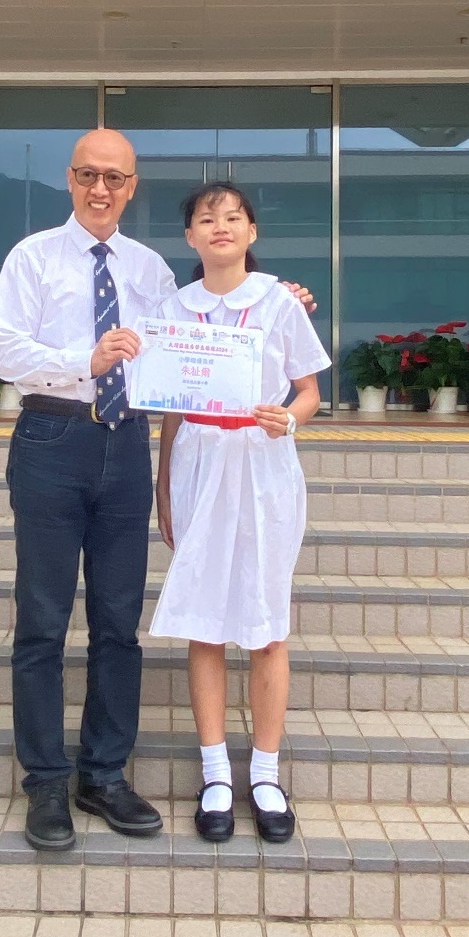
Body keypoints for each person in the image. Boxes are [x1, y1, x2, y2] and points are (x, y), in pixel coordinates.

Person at [0, 131, 314, 851]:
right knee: (42, 619)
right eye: (88, 175)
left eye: (114, 178)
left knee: (117, 621)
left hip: (125, 443)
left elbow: (202, 338)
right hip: (50, 437)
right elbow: (4, 353)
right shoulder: (32, 257)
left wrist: (278, 299)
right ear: (69, 180)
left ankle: (103, 774)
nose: (100, 189)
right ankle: (45, 781)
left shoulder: (150, 271)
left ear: (131, 187)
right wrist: (86, 357)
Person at [152, 181, 331, 844]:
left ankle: (264, 772)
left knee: (265, 626)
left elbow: (309, 390)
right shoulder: (174, 309)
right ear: (190, 237)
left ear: (251, 232)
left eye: (233, 217)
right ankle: (214, 774)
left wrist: (290, 418)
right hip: (199, 463)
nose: (220, 226)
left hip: (262, 463)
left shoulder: (279, 302)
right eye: (207, 218)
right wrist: (164, 486)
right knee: (204, 624)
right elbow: (173, 406)